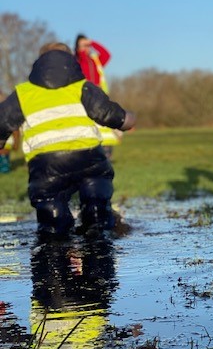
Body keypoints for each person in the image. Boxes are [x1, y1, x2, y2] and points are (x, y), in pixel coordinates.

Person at [0, 42, 136, 238]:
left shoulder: (24, 93)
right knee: (96, 196)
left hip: (46, 163)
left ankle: (54, 239)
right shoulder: (82, 87)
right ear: (71, 61)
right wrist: (128, 120)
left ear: (39, 62)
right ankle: (98, 224)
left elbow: (3, 121)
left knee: (51, 209)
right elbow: (110, 114)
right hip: (88, 157)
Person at [74, 34, 121, 159]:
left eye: (87, 46)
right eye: (83, 46)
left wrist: (93, 43)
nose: (87, 48)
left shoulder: (95, 60)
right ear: (77, 47)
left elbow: (106, 55)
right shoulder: (77, 60)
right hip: (84, 97)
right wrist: (82, 51)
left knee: (104, 125)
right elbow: (82, 62)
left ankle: (106, 154)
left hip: (99, 96)